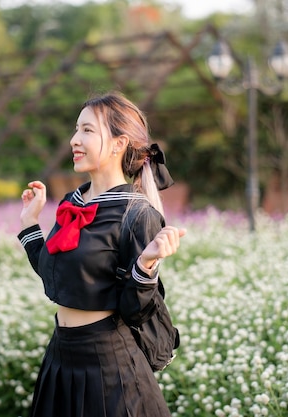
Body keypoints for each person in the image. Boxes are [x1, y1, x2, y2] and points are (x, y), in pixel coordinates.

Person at [17, 91, 186, 417]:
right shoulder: (74, 201)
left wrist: (146, 265)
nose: (74, 140)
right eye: (76, 129)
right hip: (60, 358)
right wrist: (29, 226)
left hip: (109, 368)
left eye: (87, 130)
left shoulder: (137, 214)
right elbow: (61, 278)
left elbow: (135, 312)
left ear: (118, 144)